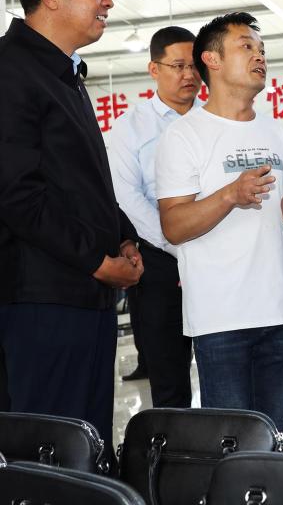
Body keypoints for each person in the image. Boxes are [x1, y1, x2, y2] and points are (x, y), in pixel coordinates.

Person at [0, 0, 143, 454]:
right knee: (48, 454)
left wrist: (123, 236)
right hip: (41, 302)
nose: (108, 0)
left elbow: (85, 182)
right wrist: (96, 261)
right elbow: (16, 195)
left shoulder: (65, 75)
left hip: (84, 296)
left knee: (85, 450)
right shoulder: (11, 71)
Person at [155, 12, 283, 430]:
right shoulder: (184, 135)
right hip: (221, 319)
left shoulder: (277, 132)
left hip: (281, 314)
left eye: (262, 50)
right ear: (212, 59)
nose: (259, 56)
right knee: (232, 442)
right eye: (246, 46)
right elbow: (173, 225)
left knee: (274, 436)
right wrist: (229, 195)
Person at [108, 26, 199, 407]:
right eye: (178, 66)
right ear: (154, 69)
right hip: (160, 260)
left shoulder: (216, 118)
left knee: (223, 365)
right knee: (169, 377)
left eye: (194, 66)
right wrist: (177, 246)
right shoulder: (131, 126)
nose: (188, 75)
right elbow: (127, 196)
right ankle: (173, 443)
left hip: (217, 257)